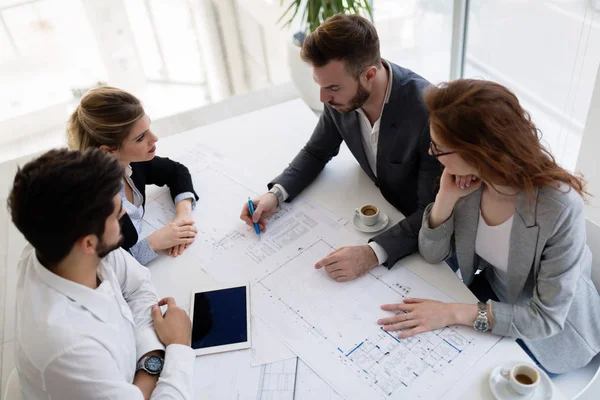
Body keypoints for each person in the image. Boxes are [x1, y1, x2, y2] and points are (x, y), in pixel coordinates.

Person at [377, 79, 600, 374]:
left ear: (479, 151)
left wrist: (453, 312)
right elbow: (432, 254)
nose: (431, 154)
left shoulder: (558, 208)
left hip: (551, 336)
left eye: (439, 148)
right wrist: (445, 198)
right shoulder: (469, 184)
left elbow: (546, 319)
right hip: (491, 298)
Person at [240, 14, 441, 281]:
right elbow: (317, 150)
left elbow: (432, 211)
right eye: (320, 86)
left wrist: (372, 253)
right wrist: (276, 194)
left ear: (370, 74)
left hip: (419, 246)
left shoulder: (428, 113)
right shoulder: (339, 97)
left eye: (333, 88)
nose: (323, 97)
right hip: (371, 206)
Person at [8, 148, 195, 399]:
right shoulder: (68, 348)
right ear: (88, 243)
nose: (125, 215)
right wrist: (177, 346)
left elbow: (138, 286)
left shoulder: (65, 248)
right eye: (117, 213)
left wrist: (150, 360)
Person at [67, 86, 199, 265]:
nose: (155, 138)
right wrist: (154, 243)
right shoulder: (94, 206)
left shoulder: (132, 161)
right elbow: (102, 269)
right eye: (140, 138)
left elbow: (176, 171)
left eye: (149, 126)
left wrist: (184, 215)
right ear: (108, 151)